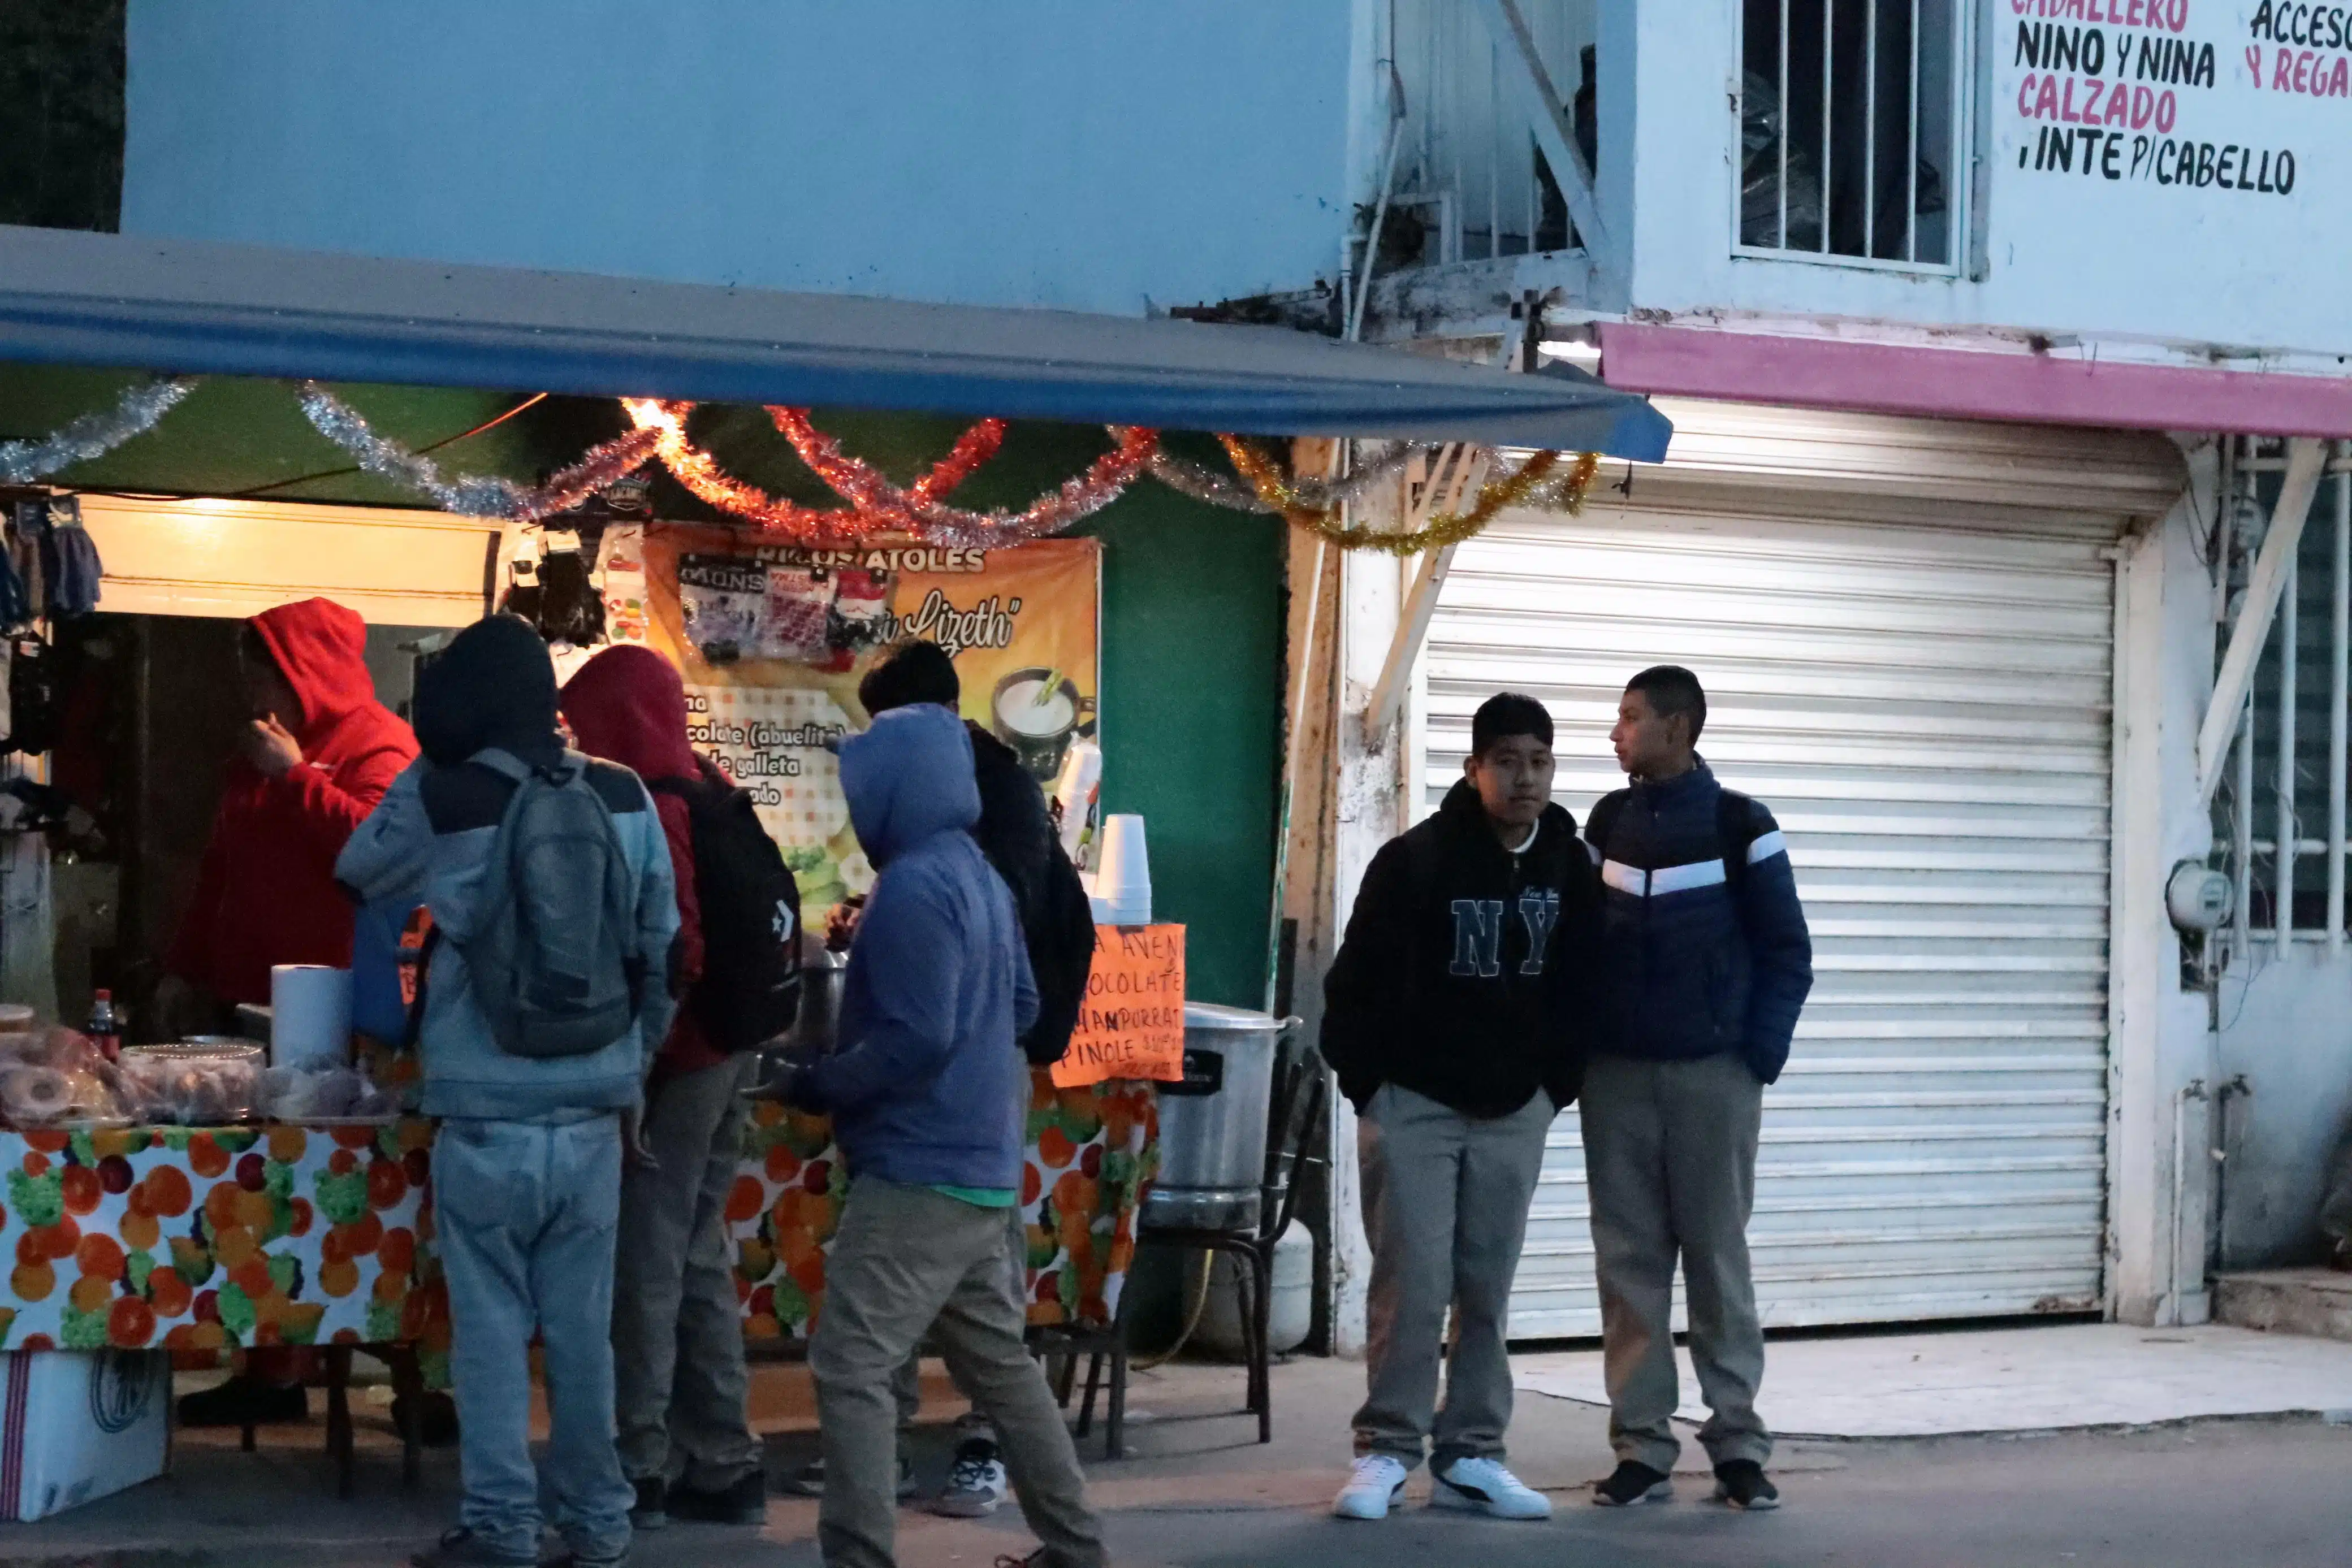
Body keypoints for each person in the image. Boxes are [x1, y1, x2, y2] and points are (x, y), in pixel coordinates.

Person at [338, 616, 679, 1568]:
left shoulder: (446, 793)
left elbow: (357, 872)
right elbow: (662, 946)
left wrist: (425, 771)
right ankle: (600, 1526)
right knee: (583, 1337)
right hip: (595, 1108)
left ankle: (501, 1528)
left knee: (489, 1334)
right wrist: (631, 1075)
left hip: (483, 1112)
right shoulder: (625, 793)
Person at [759, 700, 1104, 1568]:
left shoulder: (913, 885)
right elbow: (1022, 1007)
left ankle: (860, 1554)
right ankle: (1076, 1545)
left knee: (851, 1365)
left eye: (861, 789)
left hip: (919, 1170)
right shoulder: (981, 874)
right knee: (1000, 1366)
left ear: (894, 790)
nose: (854, 806)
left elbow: (917, 1037)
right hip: (983, 1168)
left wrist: (815, 1082)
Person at [1320, 692, 1599, 1522]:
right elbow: (1352, 988)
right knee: (1413, 1281)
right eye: (1507, 761)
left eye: (1540, 762)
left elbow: (1586, 985)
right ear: (1475, 768)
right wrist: (1371, 1085)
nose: (1526, 778)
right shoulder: (1416, 862)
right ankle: (1386, 1453)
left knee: (1486, 1283)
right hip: (1416, 1103)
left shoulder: (1570, 867)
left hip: (1516, 1108)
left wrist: (1555, 1088)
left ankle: (1473, 1452)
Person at [159, 597, 418, 1430]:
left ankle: (407, 1373)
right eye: (248, 669)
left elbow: (378, 852)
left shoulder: (382, 745)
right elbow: (220, 868)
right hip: (252, 1012)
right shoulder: (256, 750)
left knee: (357, 1198)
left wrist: (298, 776)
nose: (251, 685)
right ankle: (270, 1365)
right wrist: (183, 966)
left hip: (349, 1018)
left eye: (263, 667)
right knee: (260, 1194)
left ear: (307, 667)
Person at [1580, 665, 1811, 1513]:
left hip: (1715, 1078)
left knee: (1717, 1258)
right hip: (1616, 1079)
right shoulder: (1605, 822)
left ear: (1679, 728)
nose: (1616, 732)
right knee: (1629, 1263)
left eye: (1631, 717)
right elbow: (1578, 941)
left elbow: (1789, 951)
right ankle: (1641, 1447)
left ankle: (1739, 1447)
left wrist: (1755, 1056)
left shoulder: (1741, 824)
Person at [557, 645, 766, 1532]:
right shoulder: (713, 786)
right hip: (733, 1050)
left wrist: (635, 1073)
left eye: (584, 720)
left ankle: (639, 1462)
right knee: (695, 1255)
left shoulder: (654, 801)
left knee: (645, 1262)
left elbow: (675, 953)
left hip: (680, 1060)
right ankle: (723, 1459)